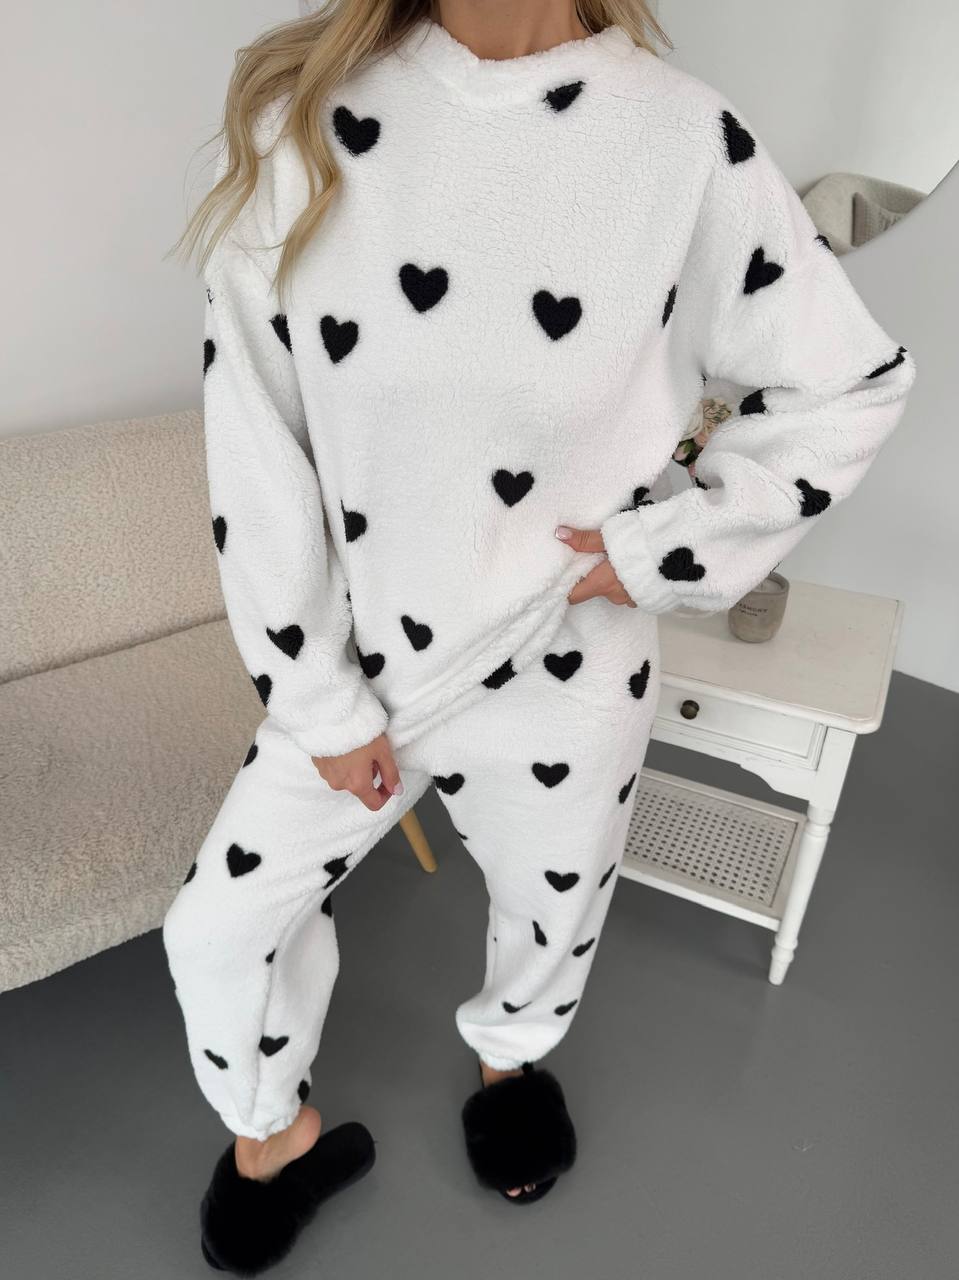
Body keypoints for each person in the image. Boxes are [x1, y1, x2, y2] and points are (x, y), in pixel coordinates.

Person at [162, 0, 917, 1271]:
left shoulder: (680, 143)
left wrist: (657, 548)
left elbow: (849, 381)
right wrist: (314, 695)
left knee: (553, 901)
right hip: (363, 669)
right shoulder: (313, 119)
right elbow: (256, 437)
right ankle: (270, 1128)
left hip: (565, 660)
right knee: (216, 930)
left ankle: (508, 1058)